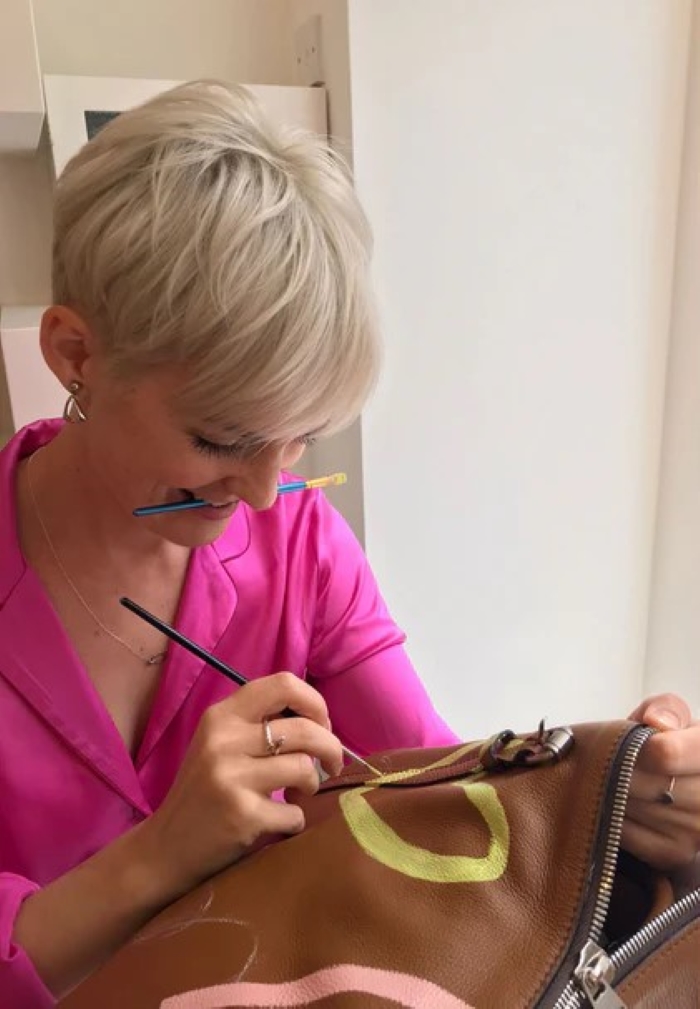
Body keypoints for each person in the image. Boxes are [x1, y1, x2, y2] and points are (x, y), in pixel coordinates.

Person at [0, 81, 697, 1007]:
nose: (258, 492)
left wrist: (610, 789)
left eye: (297, 440)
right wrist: (164, 850)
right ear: (76, 354)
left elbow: (443, 793)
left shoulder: (300, 545)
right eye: (217, 439)